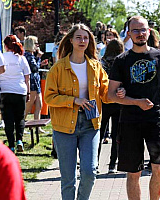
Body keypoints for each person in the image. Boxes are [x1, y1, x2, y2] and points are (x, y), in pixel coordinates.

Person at [108, 16, 160, 200]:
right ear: (129, 33)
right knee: (133, 173)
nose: (140, 34)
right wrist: (135, 101)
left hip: (155, 119)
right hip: (129, 121)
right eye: (136, 30)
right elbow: (110, 95)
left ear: (149, 31)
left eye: (143, 30)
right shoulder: (122, 60)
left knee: (159, 168)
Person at [44, 23, 115, 200]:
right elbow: (49, 98)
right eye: (79, 37)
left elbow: (105, 94)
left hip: (91, 124)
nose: (82, 40)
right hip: (64, 126)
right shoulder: (58, 68)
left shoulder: (95, 66)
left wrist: (117, 93)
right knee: (68, 178)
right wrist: (74, 101)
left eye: (86, 37)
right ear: (71, 40)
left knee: (90, 171)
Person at [0, 35, 31, 153]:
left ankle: (11, 145)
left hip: (5, 91)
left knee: (8, 119)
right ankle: (19, 140)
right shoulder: (21, 58)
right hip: (20, 90)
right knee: (20, 118)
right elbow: (27, 76)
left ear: (6, 45)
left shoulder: (2, 57)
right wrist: (27, 91)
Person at [98, 39, 124, 174]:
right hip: (119, 100)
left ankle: (95, 162)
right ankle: (112, 164)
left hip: (104, 100)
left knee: (100, 133)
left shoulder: (102, 63)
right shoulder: (122, 62)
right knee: (116, 135)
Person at [24, 36, 48, 132]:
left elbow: (35, 67)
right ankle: (21, 125)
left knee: (39, 104)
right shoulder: (28, 56)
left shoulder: (31, 56)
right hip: (32, 83)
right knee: (29, 106)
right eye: (36, 43)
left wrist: (39, 62)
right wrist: (38, 58)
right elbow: (34, 68)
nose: (37, 45)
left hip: (36, 83)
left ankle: (37, 126)